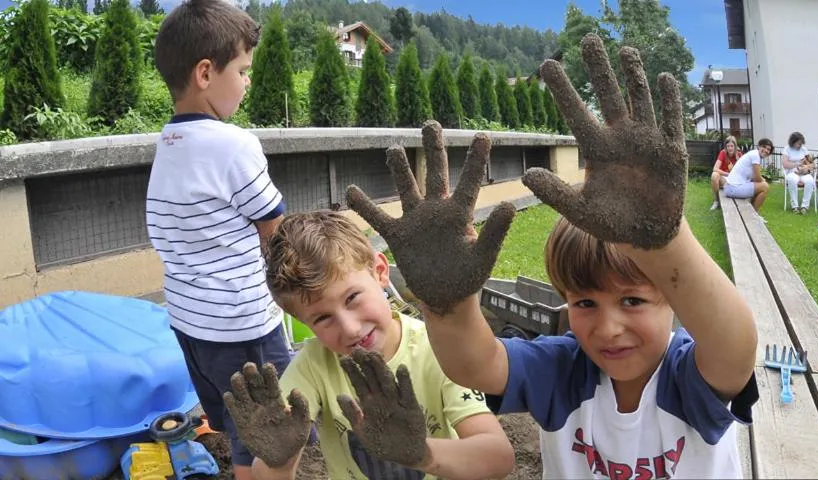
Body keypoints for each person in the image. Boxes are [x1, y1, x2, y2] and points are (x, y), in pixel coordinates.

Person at [345, 33, 759, 479]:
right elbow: (476, 365)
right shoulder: (565, 372)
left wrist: (664, 242)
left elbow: (733, 346)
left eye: (632, 300)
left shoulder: (687, 377)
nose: (608, 327)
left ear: (672, 300)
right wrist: (447, 305)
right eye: (585, 303)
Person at [222, 210, 516, 480]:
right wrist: (280, 460)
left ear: (380, 270)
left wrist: (422, 454)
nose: (350, 328)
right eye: (323, 318)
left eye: (352, 298)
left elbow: (498, 457)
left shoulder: (437, 349)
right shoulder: (313, 365)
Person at [147, 1, 291, 478]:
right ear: (206, 73)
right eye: (244, 70)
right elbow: (277, 233)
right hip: (242, 326)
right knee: (273, 436)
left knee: (237, 426)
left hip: (191, 327)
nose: (248, 81)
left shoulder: (168, 144)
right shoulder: (233, 144)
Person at [724, 138, 774, 212]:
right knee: (765, 187)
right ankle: (754, 214)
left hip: (731, 187)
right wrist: (763, 180)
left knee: (760, 185)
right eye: (764, 147)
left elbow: (755, 177)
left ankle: (751, 211)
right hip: (732, 188)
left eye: (768, 149)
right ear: (759, 146)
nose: (766, 150)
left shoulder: (755, 154)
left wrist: (761, 180)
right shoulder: (755, 155)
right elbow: (757, 178)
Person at [783, 132, 816, 214]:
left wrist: (806, 167)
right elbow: (785, 164)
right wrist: (797, 164)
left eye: (801, 143)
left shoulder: (804, 150)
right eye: (798, 144)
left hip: (804, 172)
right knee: (792, 180)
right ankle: (795, 206)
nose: (800, 145)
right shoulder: (787, 150)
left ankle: (805, 206)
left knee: (810, 181)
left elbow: (812, 164)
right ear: (793, 142)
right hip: (792, 172)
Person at [710, 135, 741, 210]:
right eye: (728, 146)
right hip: (724, 179)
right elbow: (715, 168)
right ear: (725, 147)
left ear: (735, 146)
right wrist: (728, 174)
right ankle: (716, 201)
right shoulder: (723, 153)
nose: (730, 148)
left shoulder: (739, 154)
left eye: (732, 146)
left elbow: (743, 171)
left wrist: (738, 160)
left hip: (734, 181)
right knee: (714, 175)